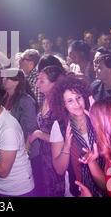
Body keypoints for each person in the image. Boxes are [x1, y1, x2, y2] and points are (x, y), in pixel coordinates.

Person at [48, 75, 104, 197]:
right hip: (77, 191)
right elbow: (59, 170)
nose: (77, 103)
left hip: (105, 188)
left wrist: (99, 124)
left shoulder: (98, 118)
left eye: (78, 97)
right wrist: (67, 146)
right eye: (70, 101)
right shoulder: (60, 126)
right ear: (63, 105)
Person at [27, 65, 66, 196]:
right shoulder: (45, 99)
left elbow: (63, 139)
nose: (37, 83)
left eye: (42, 80)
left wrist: (38, 134)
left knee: (55, 189)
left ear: (54, 84)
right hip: (43, 153)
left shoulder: (59, 105)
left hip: (56, 155)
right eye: (38, 79)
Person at [1, 69, 40, 194]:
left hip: (26, 150)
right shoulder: (4, 98)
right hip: (11, 147)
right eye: (3, 77)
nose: (4, 80)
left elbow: (31, 128)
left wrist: (25, 152)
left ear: (16, 82)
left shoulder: (25, 100)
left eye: (7, 78)